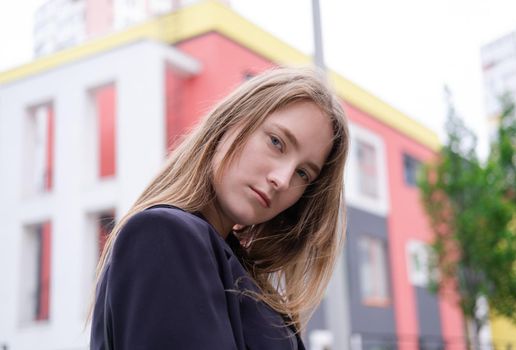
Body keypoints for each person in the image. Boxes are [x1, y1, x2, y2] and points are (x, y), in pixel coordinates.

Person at [89, 67, 349, 350]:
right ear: (232, 121)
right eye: (277, 142)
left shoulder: (246, 279)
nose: (282, 179)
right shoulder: (164, 234)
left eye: (303, 174)